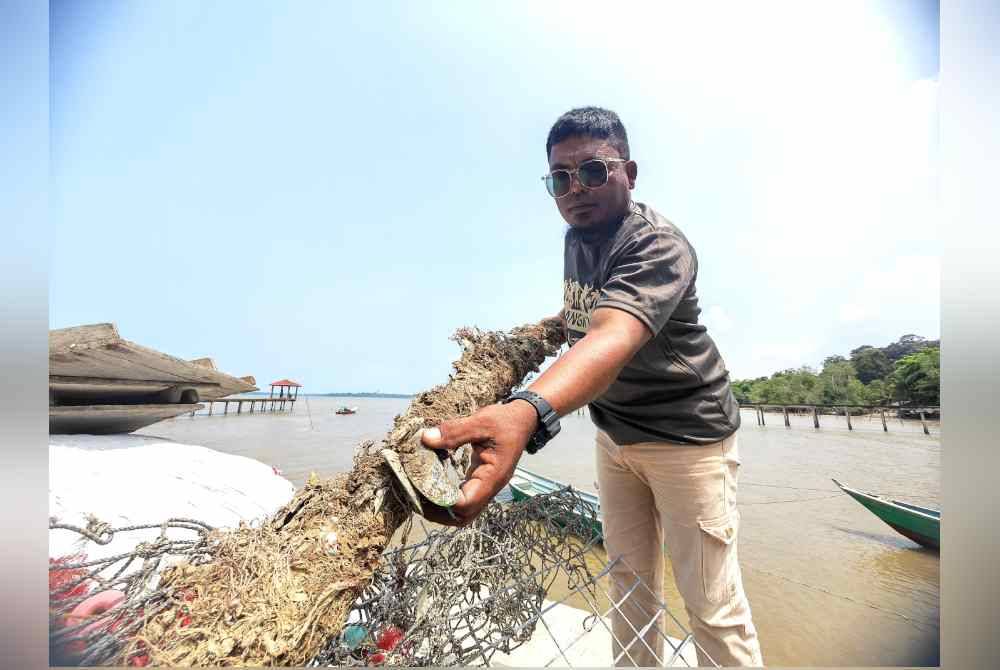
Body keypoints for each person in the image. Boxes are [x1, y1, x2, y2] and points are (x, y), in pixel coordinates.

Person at [420, 106, 762, 667]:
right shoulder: (576, 235)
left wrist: (526, 407)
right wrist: (549, 329)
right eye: (560, 177)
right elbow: (584, 310)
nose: (575, 189)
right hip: (615, 437)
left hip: (687, 440)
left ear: (629, 171)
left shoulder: (657, 245)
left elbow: (611, 332)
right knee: (627, 585)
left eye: (593, 172)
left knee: (712, 605)